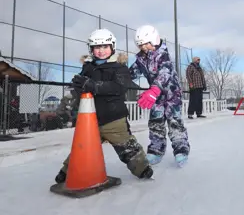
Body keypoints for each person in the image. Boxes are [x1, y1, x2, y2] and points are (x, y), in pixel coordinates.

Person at [54, 28, 153, 184]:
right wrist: (68, 101)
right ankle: (68, 171)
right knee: (82, 147)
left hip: (114, 119)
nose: (101, 51)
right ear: (91, 49)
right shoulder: (88, 68)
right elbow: (79, 89)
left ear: (112, 47)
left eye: (105, 47)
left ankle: (142, 169)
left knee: (127, 148)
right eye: (97, 47)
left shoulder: (120, 67)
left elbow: (118, 87)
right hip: (91, 119)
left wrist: (93, 85)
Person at [129, 25, 190, 167]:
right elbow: (131, 73)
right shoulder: (141, 59)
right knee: (155, 122)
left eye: (146, 44)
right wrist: (119, 74)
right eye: (141, 45)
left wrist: (155, 89)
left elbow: (165, 72)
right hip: (156, 96)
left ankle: (181, 149)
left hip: (171, 94)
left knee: (174, 121)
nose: (144, 47)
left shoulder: (163, 55)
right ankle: (156, 150)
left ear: (154, 40)